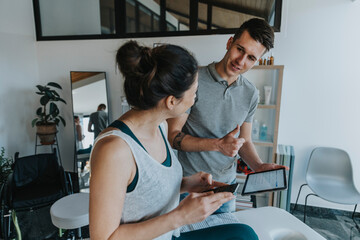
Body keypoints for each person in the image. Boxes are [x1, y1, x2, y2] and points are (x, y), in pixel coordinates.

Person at [89, 41, 259, 240]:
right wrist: (180, 217)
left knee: (244, 234)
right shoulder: (114, 150)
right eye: (194, 93)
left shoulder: (160, 126)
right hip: (171, 230)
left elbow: (145, 191)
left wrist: (187, 184)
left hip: (170, 235)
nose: (195, 99)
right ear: (171, 101)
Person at [167, 18, 286, 213]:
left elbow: (244, 141)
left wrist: (258, 166)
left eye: (251, 58)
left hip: (226, 187)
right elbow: (174, 136)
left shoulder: (251, 93)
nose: (241, 61)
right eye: (240, 49)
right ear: (230, 42)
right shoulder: (193, 80)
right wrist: (217, 144)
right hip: (189, 186)